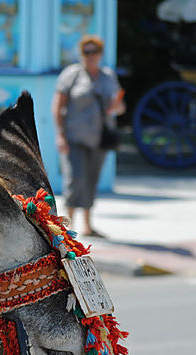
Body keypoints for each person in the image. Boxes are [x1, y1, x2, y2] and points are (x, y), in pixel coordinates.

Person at [52, 34, 124, 239]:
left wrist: (118, 107)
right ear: (81, 53)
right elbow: (58, 106)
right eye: (87, 52)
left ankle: (88, 225)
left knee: (92, 180)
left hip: (99, 138)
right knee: (75, 180)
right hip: (75, 136)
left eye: (95, 52)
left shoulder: (108, 76)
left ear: (100, 54)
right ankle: (68, 226)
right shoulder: (72, 75)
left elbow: (119, 107)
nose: (91, 56)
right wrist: (60, 136)